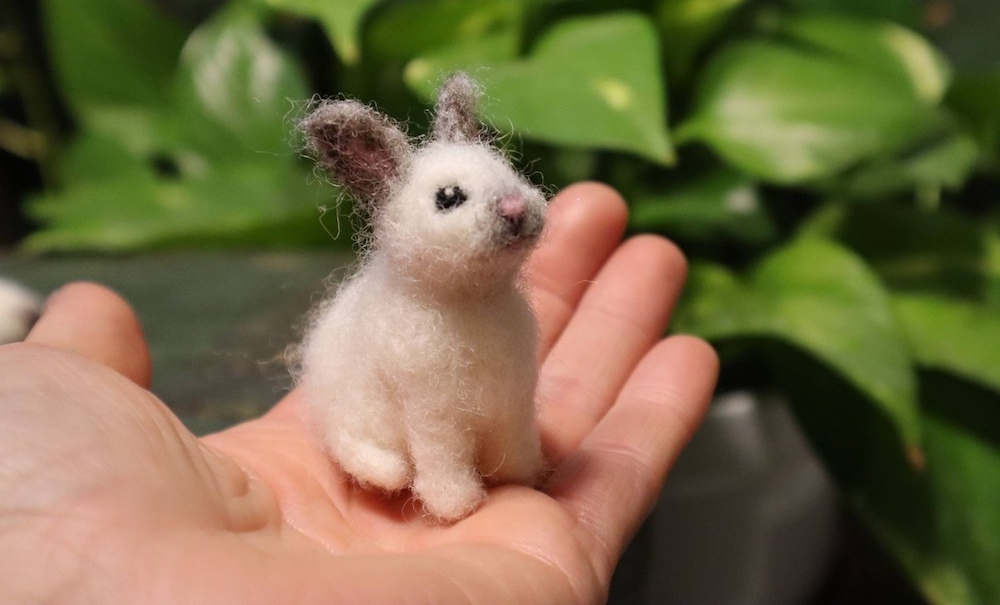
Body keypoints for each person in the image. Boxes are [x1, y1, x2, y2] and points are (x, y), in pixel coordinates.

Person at [0, 183, 718, 604]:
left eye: (501, 181)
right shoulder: (403, 317)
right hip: (382, 420)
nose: (509, 204)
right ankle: (394, 456)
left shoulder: (507, 311)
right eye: (449, 197)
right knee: (428, 412)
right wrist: (446, 480)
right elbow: (430, 408)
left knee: (504, 393)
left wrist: (518, 454)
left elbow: (510, 388)